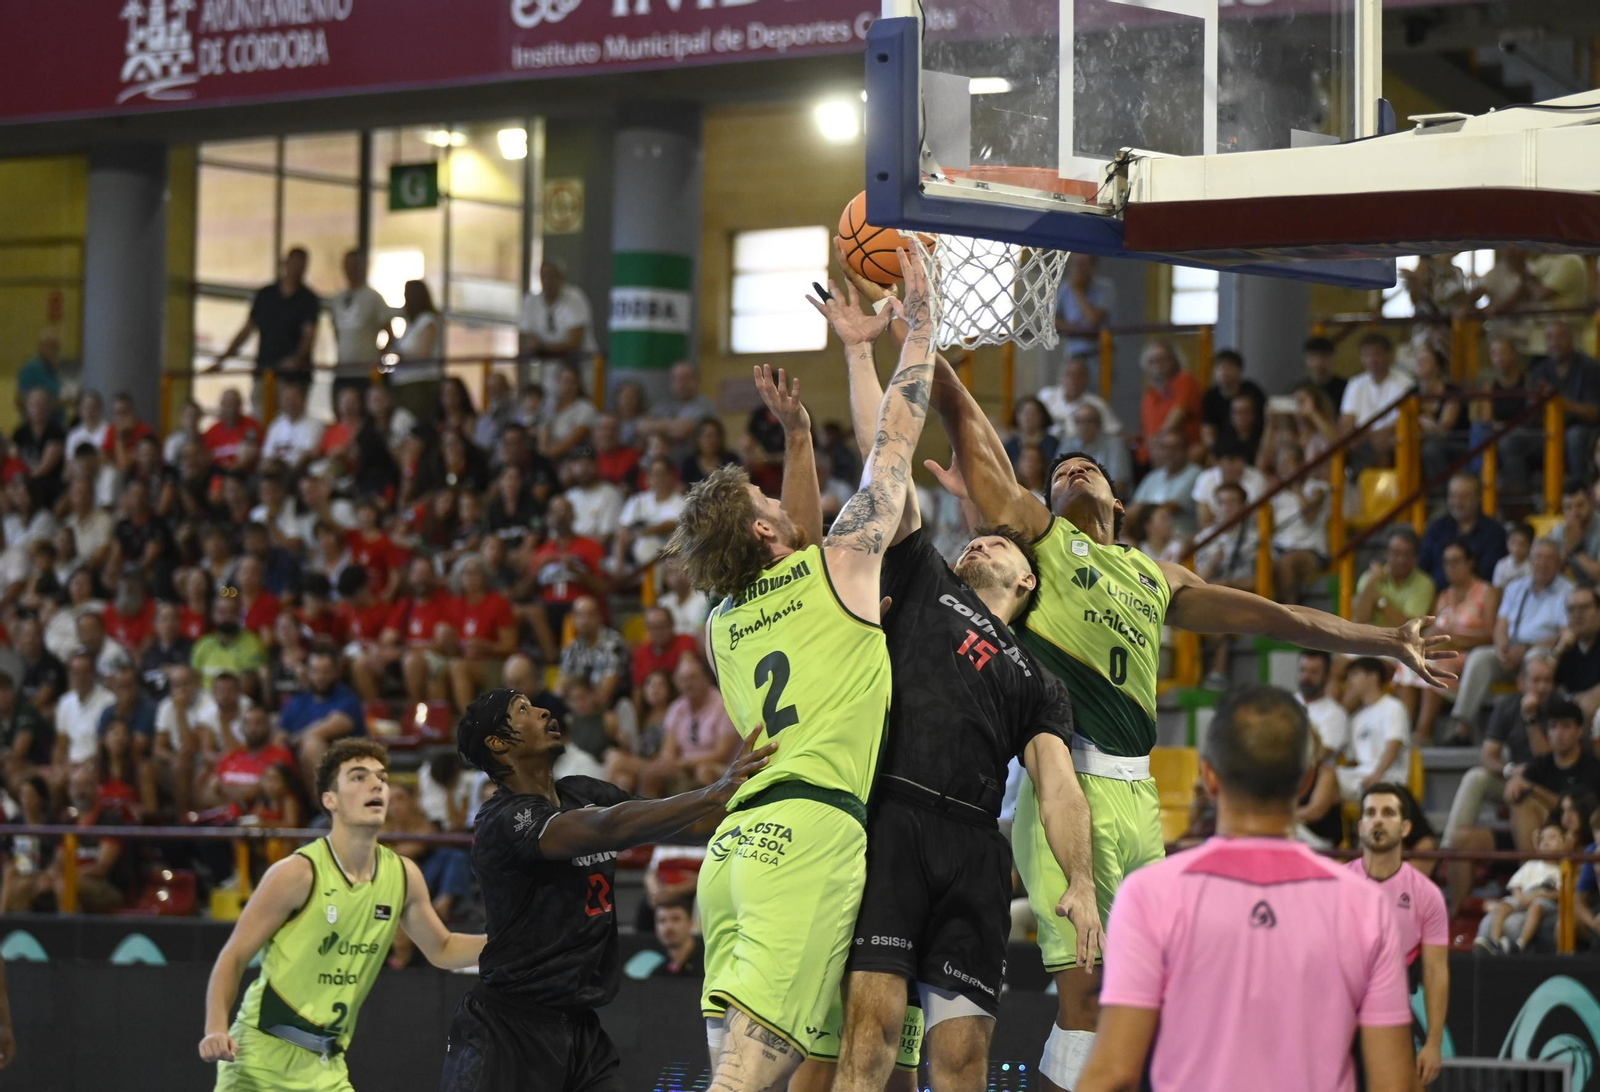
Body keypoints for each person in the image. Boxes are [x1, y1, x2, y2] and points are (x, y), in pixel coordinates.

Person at [923, 356, 1445, 1092]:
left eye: (1087, 468)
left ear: (1119, 502)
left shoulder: (1156, 575)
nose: (1072, 472)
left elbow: (1284, 617)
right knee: (1084, 997)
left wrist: (1384, 640)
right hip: (1069, 785)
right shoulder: (1043, 544)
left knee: (1140, 999)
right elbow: (975, 440)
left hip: (1140, 806)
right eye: (1060, 470)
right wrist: (936, 364)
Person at [801, 287, 1098, 1092]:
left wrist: (1078, 880)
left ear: (1026, 575)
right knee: (871, 1038)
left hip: (974, 846)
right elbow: (881, 464)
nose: (979, 544)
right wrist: (862, 350)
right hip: (894, 816)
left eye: (995, 542)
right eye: (974, 538)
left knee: (963, 1061)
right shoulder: (928, 579)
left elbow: (1059, 784)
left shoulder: (1038, 677)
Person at [665, 258, 934, 1092]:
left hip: (736, 852)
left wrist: (800, 439)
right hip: (810, 838)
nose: (784, 505)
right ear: (763, 525)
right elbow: (894, 445)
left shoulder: (721, 625)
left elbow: (798, 544)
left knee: (751, 1072)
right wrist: (917, 330)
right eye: (768, 498)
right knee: (738, 1088)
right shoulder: (844, 567)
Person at [1074, 686, 1414, 1092]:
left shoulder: (1150, 894)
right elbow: (1396, 1085)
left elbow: (1113, 1074)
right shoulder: (1366, 905)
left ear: (1209, 777)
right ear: (1306, 780)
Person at [441, 689, 771, 1092]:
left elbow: (654, 816)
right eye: (524, 710)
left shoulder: (583, 791)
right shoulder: (502, 819)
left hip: (581, 1029)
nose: (546, 710)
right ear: (498, 743)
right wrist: (714, 791)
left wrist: (750, 785)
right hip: (508, 1028)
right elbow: (609, 827)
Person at [198, 740, 485, 1088]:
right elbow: (233, 956)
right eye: (359, 777)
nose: (376, 784)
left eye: (381, 777)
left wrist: (510, 941)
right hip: (259, 1061)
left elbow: (442, 948)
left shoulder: (403, 876)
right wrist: (215, 1027)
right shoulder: (296, 874)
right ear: (329, 800)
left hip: (327, 1068)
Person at [1349, 783, 1450, 1085]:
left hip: (1393, 1016)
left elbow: (1435, 970)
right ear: (1360, 826)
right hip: (1341, 1018)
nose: (1378, 820)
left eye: (1388, 813)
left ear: (1405, 827)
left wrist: (1433, 1043)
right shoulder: (1337, 888)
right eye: (1370, 813)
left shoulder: (1426, 894)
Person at [1450, 537, 1572, 737]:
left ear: (1559, 562)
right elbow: (1502, 623)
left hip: (1541, 650)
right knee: (1480, 657)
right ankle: (1462, 727)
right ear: (1531, 560)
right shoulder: (1517, 587)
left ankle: (1528, 726)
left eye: (1549, 558)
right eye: (1538, 557)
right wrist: (1502, 649)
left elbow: (1563, 635)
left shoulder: (1567, 591)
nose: (1542, 562)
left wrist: (1523, 650)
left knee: (1534, 661)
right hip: (1511, 648)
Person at [210, 247, 321, 398]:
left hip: (293, 379)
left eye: (301, 265)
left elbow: (309, 335)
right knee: (260, 415)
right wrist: (224, 358)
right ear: (285, 263)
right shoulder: (265, 296)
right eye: (294, 263)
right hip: (265, 372)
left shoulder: (308, 300)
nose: (297, 269)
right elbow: (247, 331)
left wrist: (296, 360)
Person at [1506, 699, 1600, 848]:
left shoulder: (1592, 768)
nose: (1559, 733)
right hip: (1542, 834)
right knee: (1466, 837)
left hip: (1579, 838)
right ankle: (1533, 869)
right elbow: (1515, 791)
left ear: (1579, 731)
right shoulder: (1540, 764)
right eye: (1553, 727)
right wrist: (1513, 786)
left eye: (1566, 726)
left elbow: (1581, 814)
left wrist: (1533, 788)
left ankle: (1534, 867)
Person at [1475, 822, 1570, 954]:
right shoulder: (1532, 864)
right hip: (1524, 896)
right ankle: (1495, 941)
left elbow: (1561, 893)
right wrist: (1520, 897)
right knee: (1503, 906)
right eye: (1542, 838)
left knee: (1536, 906)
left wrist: (1537, 896)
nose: (1546, 842)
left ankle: (1521, 943)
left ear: (1564, 843)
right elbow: (1516, 885)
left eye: (1552, 838)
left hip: (1544, 900)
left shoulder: (1563, 868)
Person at [1337, 658, 1412, 802]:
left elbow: (1393, 746)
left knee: (1327, 780)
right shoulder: (1357, 718)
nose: (1349, 682)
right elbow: (1353, 760)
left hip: (1389, 777)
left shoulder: (1393, 707)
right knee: (1322, 779)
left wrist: (1376, 776)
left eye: (1355, 674)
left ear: (1373, 677)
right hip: (1362, 776)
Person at [1417, 473, 1507, 587]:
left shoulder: (1494, 532)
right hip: (1435, 597)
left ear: (1479, 498)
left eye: (1464, 496)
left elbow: (1490, 575)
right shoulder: (1436, 527)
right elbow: (1422, 568)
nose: (1457, 502)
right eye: (1453, 496)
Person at [1338, 332, 1414, 469]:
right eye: (1367, 355)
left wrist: (1371, 435)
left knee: (1382, 442)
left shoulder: (1405, 383)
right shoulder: (1355, 383)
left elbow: (1402, 421)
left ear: (1389, 355)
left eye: (1377, 354)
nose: (1372, 359)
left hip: (1390, 436)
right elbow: (1347, 418)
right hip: (1362, 438)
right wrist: (1351, 436)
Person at [329, 249, 396, 396]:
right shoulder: (338, 299)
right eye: (347, 266)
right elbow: (336, 332)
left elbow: (389, 331)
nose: (351, 270)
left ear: (362, 267)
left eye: (355, 266)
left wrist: (380, 356)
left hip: (365, 371)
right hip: (343, 370)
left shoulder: (373, 298)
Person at [1353, 527, 1436, 631]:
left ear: (1416, 557)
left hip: (1403, 644)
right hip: (1371, 640)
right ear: (1386, 554)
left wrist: (1380, 600)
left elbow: (1408, 628)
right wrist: (1371, 582)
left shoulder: (1424, 583)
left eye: (1407, 554)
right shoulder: (1371, 577)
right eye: (1396, 553)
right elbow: (1359, 621)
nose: (1401, 560)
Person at [518, 257, 596, 366]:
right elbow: (526, 340)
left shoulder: (575, 298)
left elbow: (574, 342)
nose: (547, 281)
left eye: (551, 276)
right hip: (547, 367)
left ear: (561, 278)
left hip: (578, 365)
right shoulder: (530, 301)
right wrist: (544, 347)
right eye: (544, 276)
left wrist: (542, 347)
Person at [1136, 340, 1201, 460]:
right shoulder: (1149, 394)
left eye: (1163, 359)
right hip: (1154, 456)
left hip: (1183, 453)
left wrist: (1157, 441)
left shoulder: (1185, 380)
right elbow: (1148, 430)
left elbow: (1176, 417)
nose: (1158, 365)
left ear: (1174, 361)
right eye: (1153, 361)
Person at [1127, 430, 1200, 536]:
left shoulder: (1196, 474)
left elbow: (1169, 509)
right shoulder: (1153, 476)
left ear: (1186, 450)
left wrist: (1136, 511)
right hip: (1149, 539)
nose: (1169, 453)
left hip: (1181, 539)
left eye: (1175, 448)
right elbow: (1132, 508)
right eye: (1164, 448)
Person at [389, 280, 442, 422]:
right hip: (404, 382)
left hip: (419, 384)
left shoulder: (427, 321)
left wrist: (400, 355)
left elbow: (424, 353)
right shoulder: (410, 325)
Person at [1038, 357, 1121, 444]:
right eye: (1069, 374)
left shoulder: (1097, 404)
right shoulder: (1047, 396)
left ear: (1086, 379)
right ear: (1061, 377)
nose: (1074, 380)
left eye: (1079, 375)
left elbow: (1114, 431)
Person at [1199, 349, 1265, 455]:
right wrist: (1217, 451)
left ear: (1239, 370)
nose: (1224, 372)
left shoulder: (1253, 390)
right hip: (1223, 443)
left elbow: (1265, 421)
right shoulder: (1210, 396)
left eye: (1229, 367)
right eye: (1219, 367)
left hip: (1254, 440)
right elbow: (1207, 429)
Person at [1053, 253, 1114, 363]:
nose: (1079, 269)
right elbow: (1053, 322)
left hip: (1099, 355)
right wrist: (1079, 330)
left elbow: (1093, 320)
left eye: (1083, 264)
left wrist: (1078, 291)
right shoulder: (1065, 288)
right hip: (1072, 355)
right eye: (1075, 264)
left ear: (1093, 266)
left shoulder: (1105, 288)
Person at [1555, 586, 1600, 724]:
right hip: (1573, 705)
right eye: (1571, 609)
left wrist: (1593, 696)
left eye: (1584, 607)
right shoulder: (1566, 644)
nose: (1577, 614)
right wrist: (1557, 652)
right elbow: (1542, 681)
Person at [1556, 482, 1600, 589]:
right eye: (1568, 507)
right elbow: (1549, 576)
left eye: (1580, 505)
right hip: (1573, 591)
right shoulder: (1559, 531)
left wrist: (1576, 549)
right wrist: (1566, 552)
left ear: (1592, 503)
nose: (1574, 512)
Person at [650, 899, 704, 977]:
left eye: (676, 919)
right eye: (662, 920)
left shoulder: (708, 962)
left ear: (690, 924)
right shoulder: (659, 974)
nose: (668, 927)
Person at [1303, 335, 1347, 410]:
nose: (1318, 363)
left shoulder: (1346, 388)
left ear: (1332, 357)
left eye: (1323, 357)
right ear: (1306, 359)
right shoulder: (1301, 389)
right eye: (1313, 357)